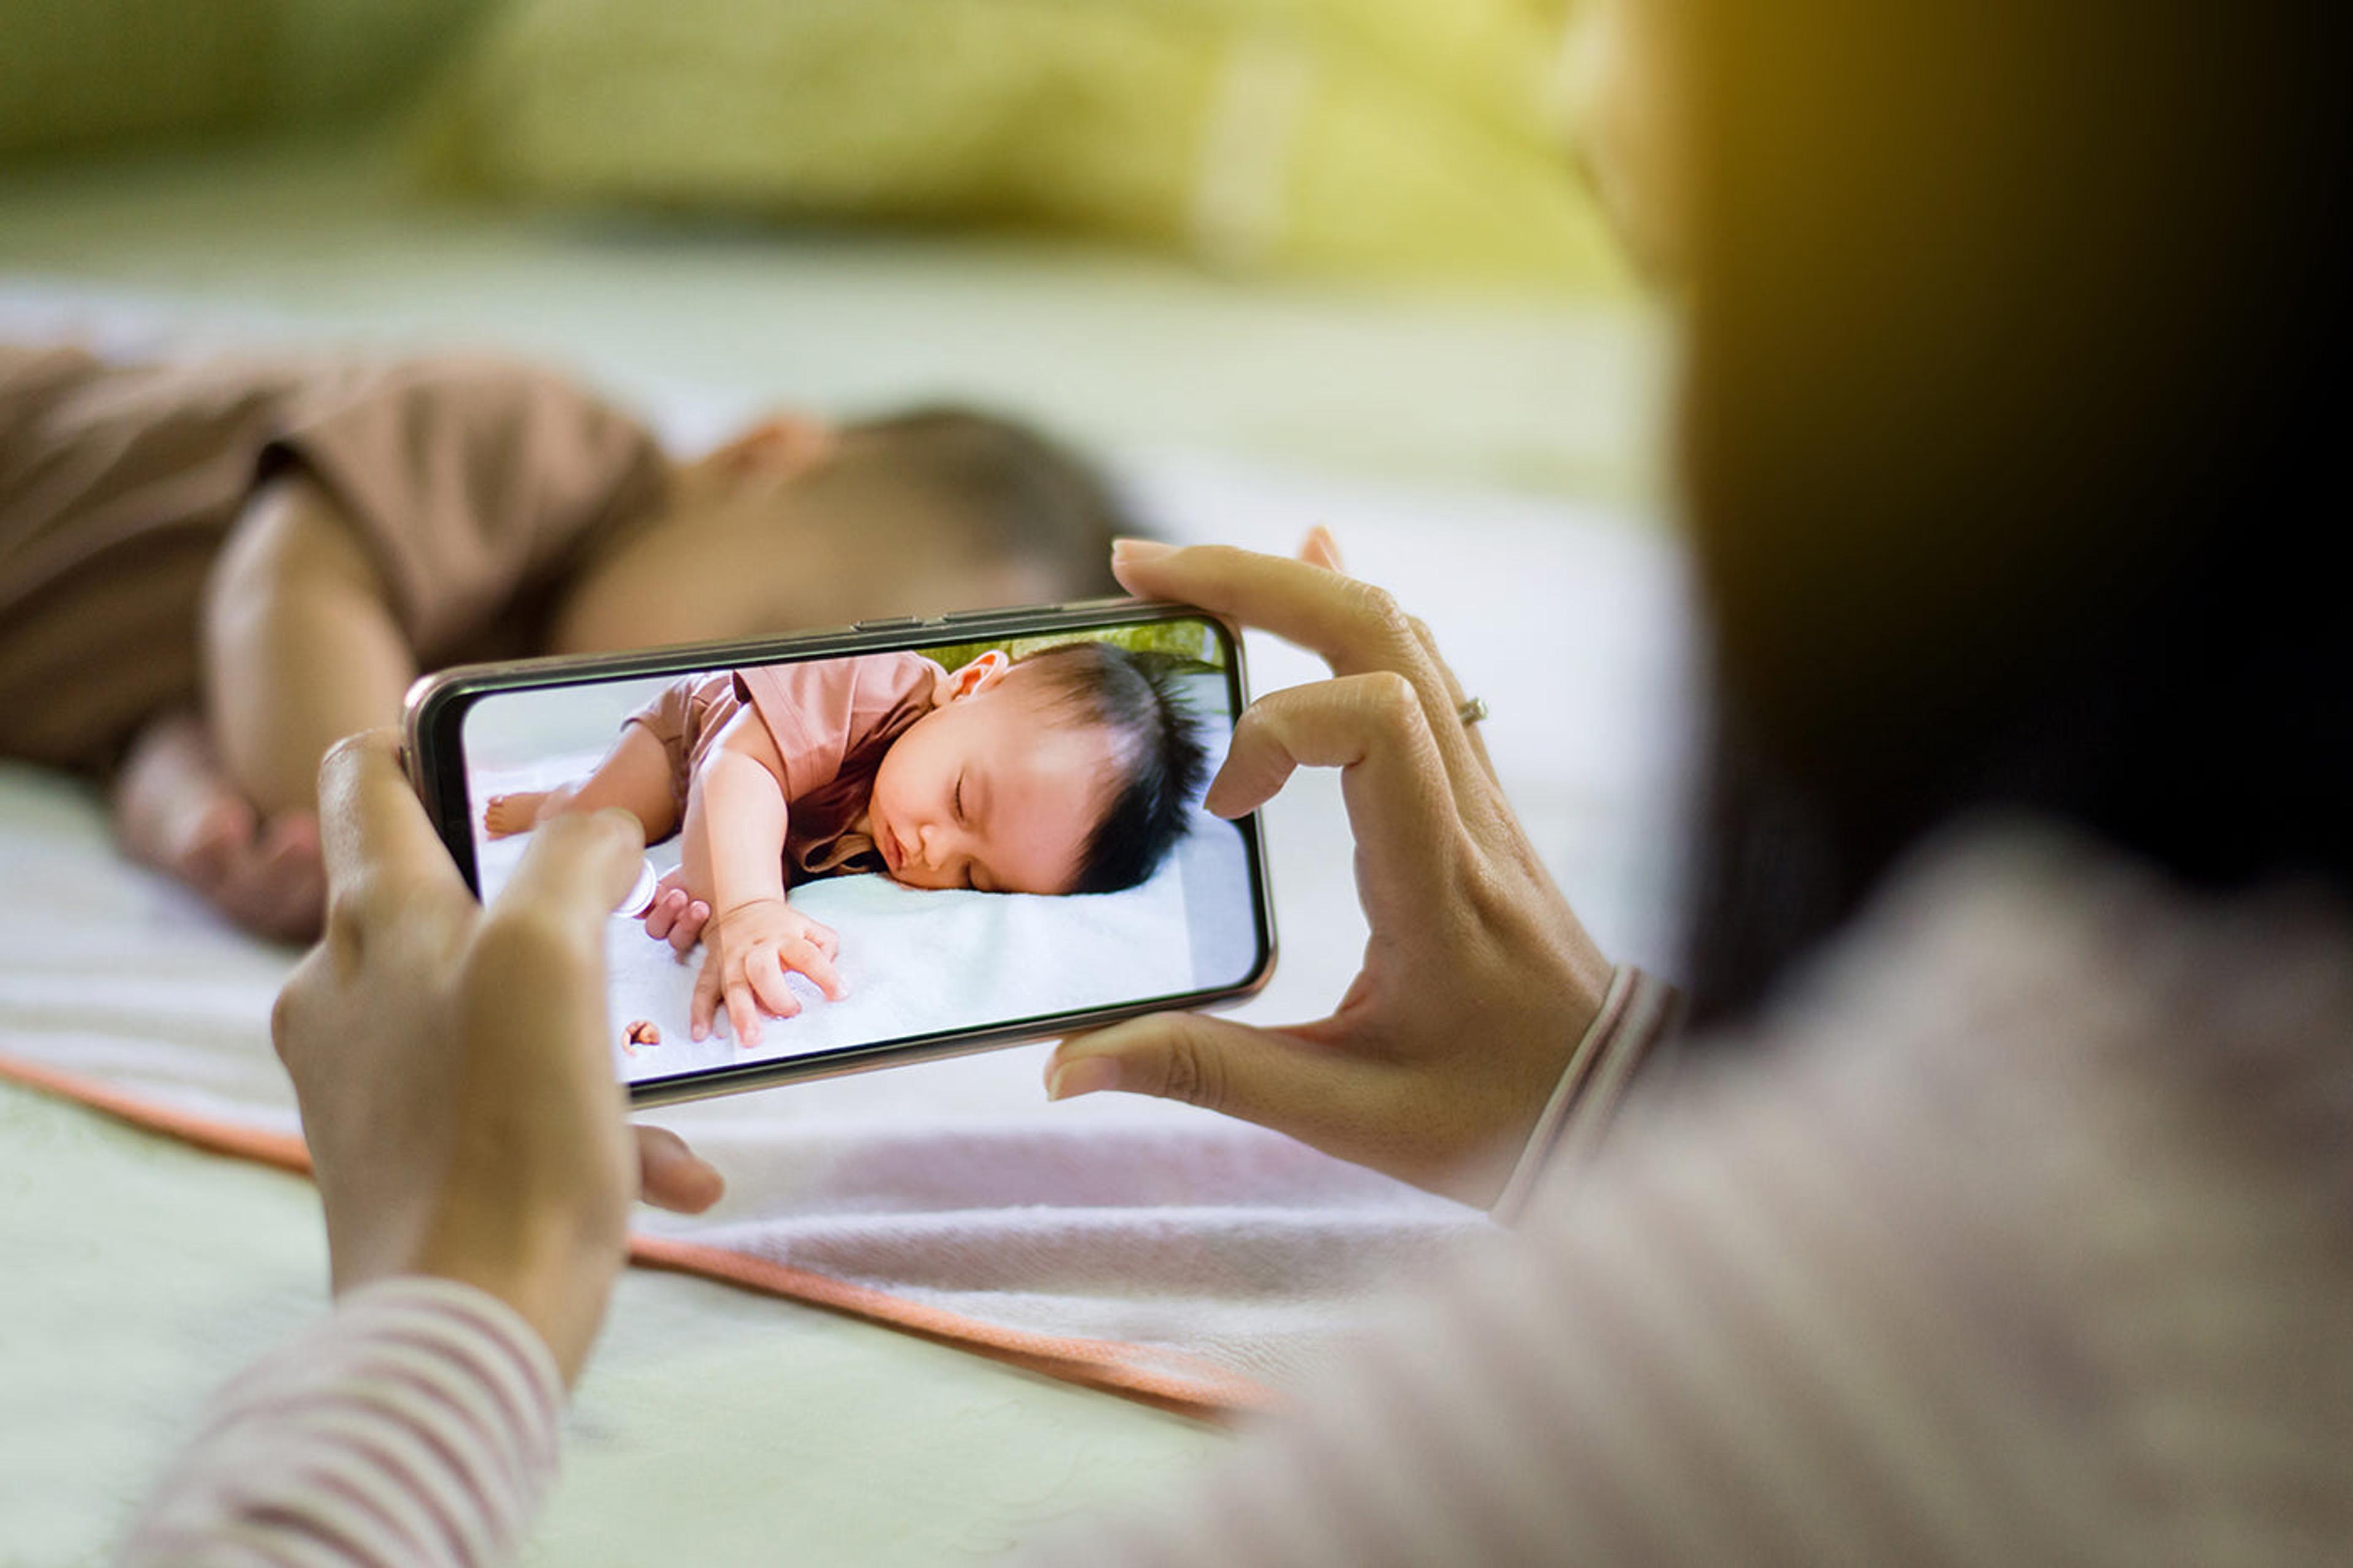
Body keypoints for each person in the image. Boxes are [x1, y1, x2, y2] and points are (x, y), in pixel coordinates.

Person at [117, 0, 2353, 1562]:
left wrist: (453, 1294)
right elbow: (657, 759)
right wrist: (1613, 1097)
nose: (1598, 95)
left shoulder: (2068, 1281)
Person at [0, 343, 1135, 942]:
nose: (741, 702)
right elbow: (283, 582)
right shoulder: (530, 432)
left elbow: (182, 672)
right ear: (761, 459)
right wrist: (402, 847)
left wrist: (192, 805)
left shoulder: (533, 693)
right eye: (763, 642)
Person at [484, 640, 1208, 1046]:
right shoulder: (868, 681)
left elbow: (743, 845)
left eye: (975, 877)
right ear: (974, 681)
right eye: (961, 800)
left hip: (746, 793)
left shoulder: (911, 832)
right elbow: (736, 768)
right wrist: (746, 908)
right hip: (702, 728)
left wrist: (700, 885)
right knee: (593, 820)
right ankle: (547, 801)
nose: (931, 850)